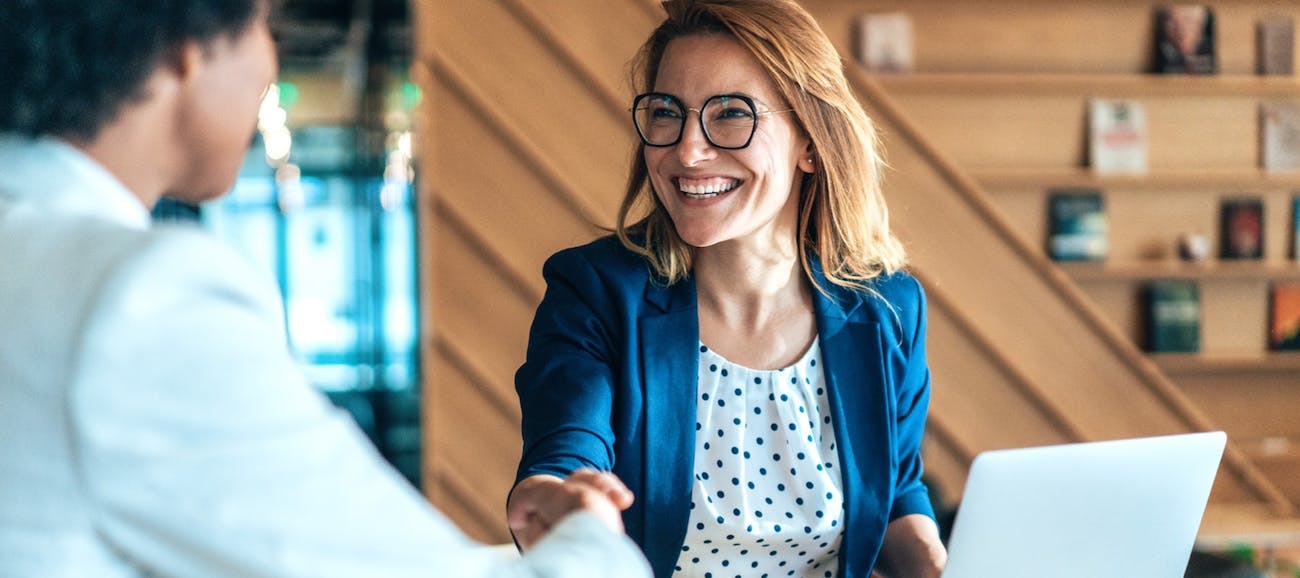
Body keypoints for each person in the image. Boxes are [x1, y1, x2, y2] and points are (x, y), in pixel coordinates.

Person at [0, 1, 651, 577]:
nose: (269, 64)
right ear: (186, 51)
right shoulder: (136, 301)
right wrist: (590, 533)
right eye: (264, 24)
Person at [508, 1, 948, 577]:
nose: (688, 150)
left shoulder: (889, 308)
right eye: (668, 112)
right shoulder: (594, 291)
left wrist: (941, 567)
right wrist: (561, 502)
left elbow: (895, 493)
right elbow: (565, 457)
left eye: (732, 114)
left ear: (811, 142)